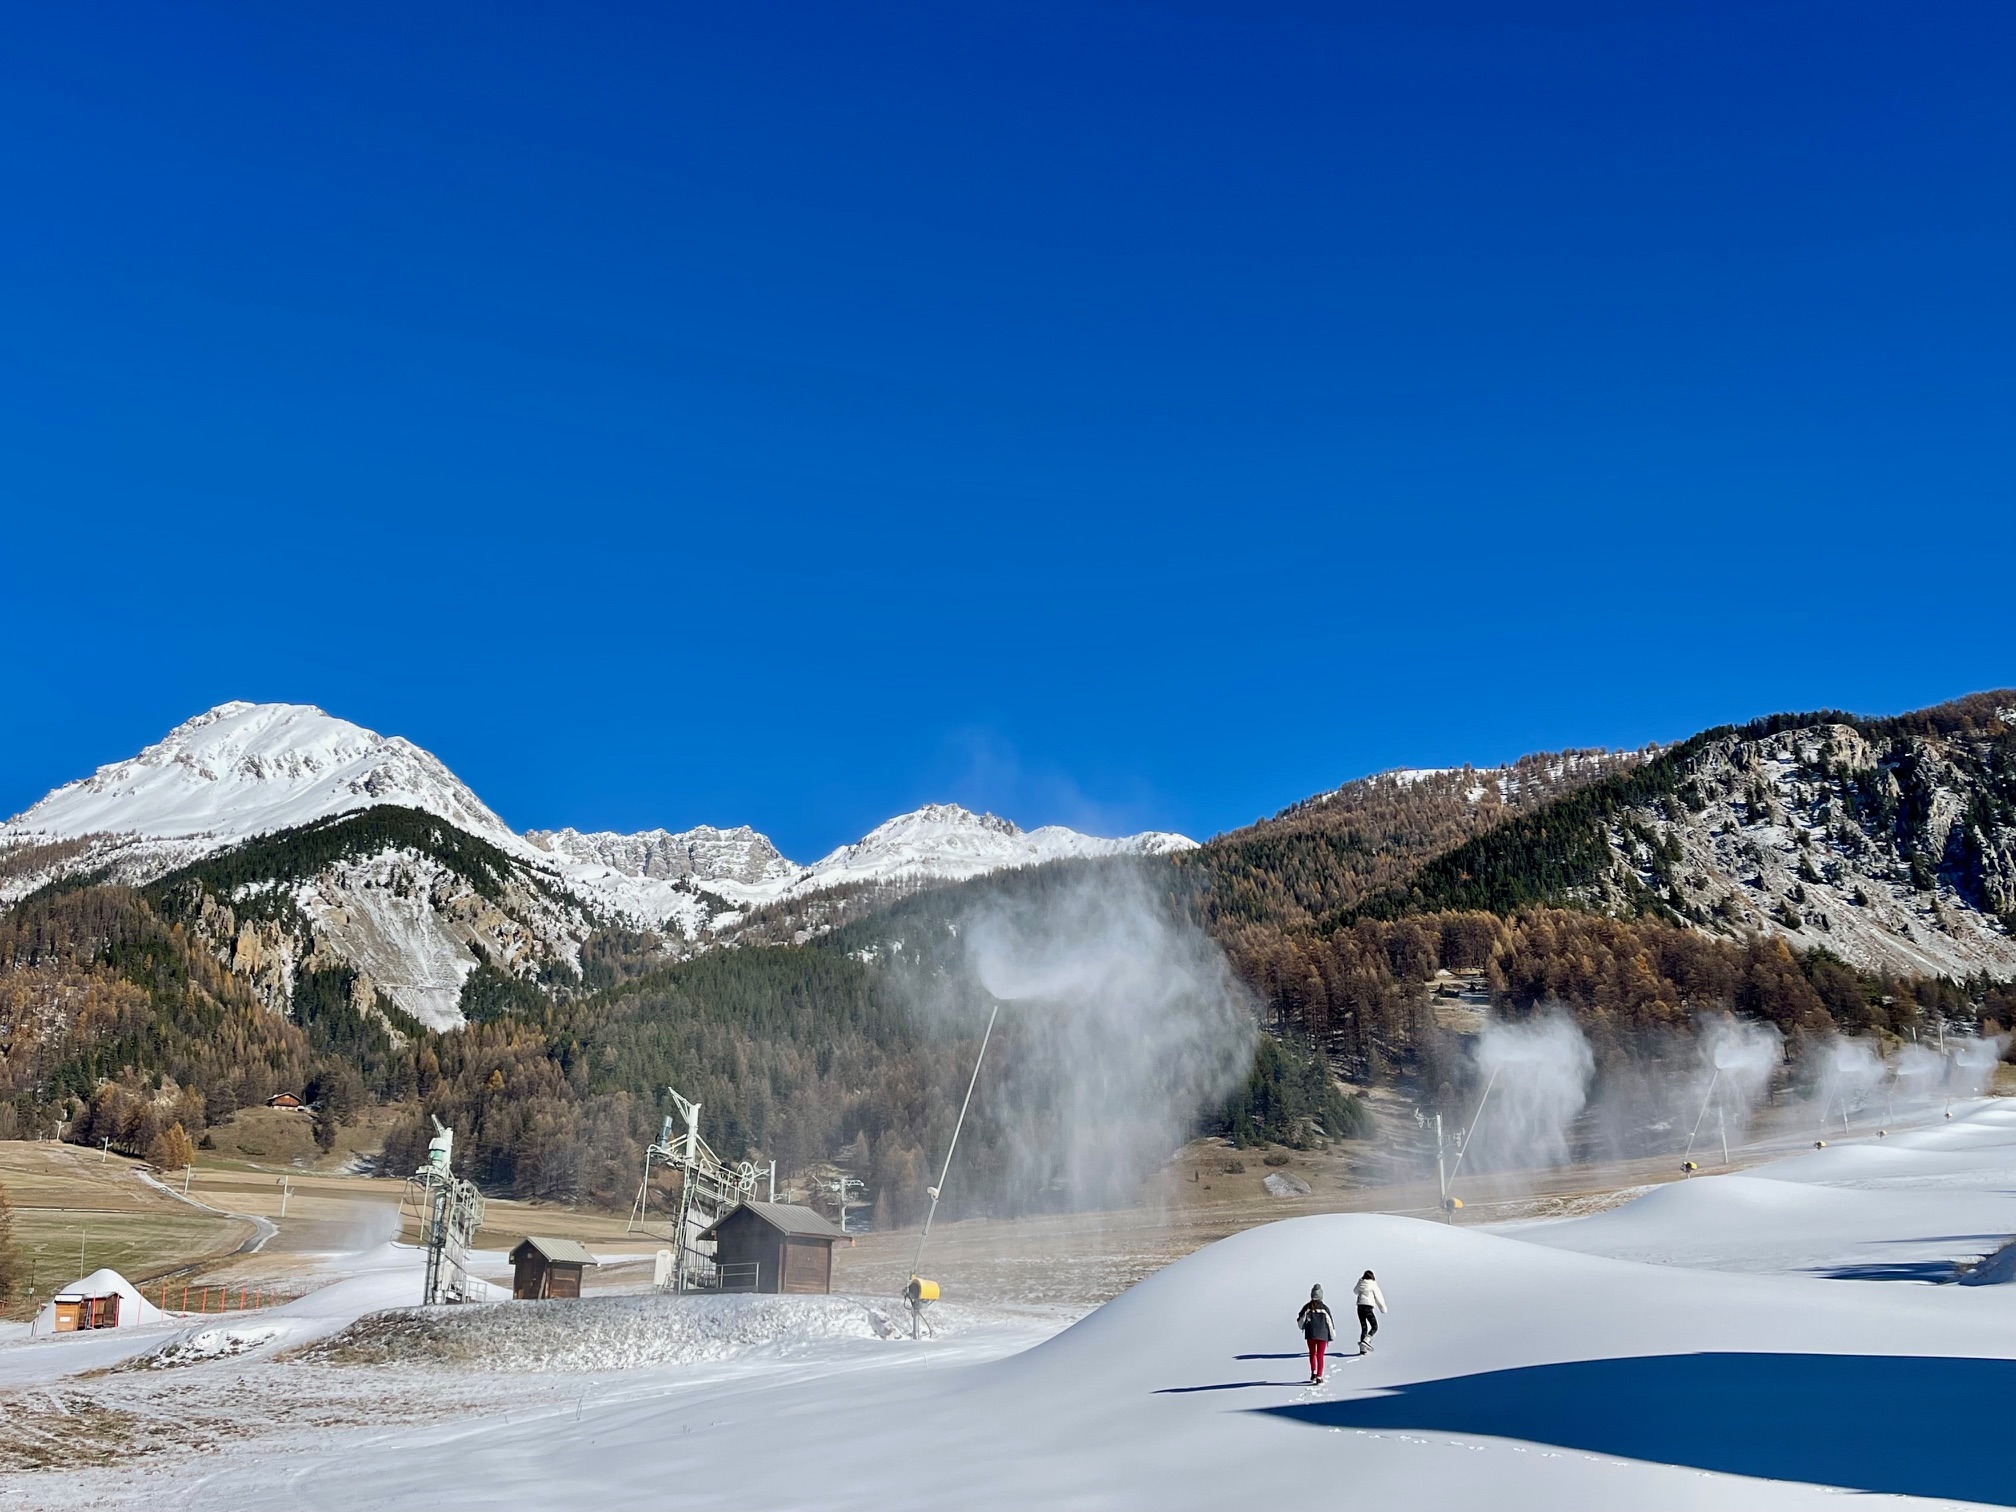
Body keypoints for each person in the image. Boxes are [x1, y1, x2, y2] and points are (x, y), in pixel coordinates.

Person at [1295, 1284, 1335, 1383]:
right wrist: (1332, 1335)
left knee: (1312, 1353)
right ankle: (1319, 1376)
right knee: (1320, 1355)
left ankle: (1313, 1372)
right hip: (1323, 1335)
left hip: (1310, 1334)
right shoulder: (1324, 1308)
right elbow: (1329, 1323)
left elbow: (1301, 1320)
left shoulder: (1307, 1307)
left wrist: (1302, 1327)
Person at [1354, 1269, 1387, 1353]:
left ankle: (1362, 1349)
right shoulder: (1373, 1284)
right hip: (1368, 1307)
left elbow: (1355, 1291)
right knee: (1374, 1326)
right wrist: (1383, 1308)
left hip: (1360, 1307)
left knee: (1364, 1327)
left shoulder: (1360, 1283)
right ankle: (1366, 1341)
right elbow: (1379, 1297)